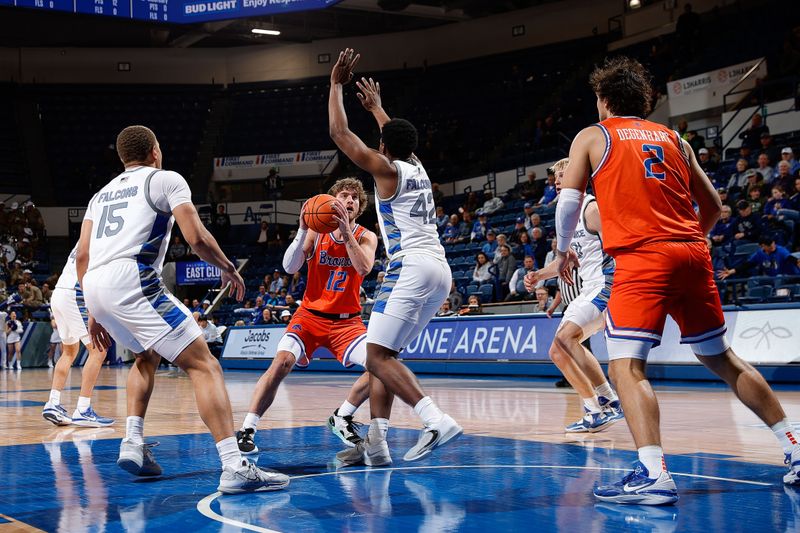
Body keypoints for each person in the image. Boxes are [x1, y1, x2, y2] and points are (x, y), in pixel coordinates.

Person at [555, 56, 800, 505]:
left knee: (626, 366)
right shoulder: (674, 138)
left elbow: (570, 201)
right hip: (691, 251)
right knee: (723, 358)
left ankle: (652, 474)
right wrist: (685, 242)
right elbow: (713, 207)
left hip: (641, 257)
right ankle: (794, 449)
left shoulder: (594, 135)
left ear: (605, 100)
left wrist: (561, 247)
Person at [77, 125, 288, 494]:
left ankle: (133, 441)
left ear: (122, 158)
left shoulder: (100, 195)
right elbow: (197, 237)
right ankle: (234, 466)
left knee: (146, 357)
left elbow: (82, 255)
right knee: (204, 365)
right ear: (156, 151)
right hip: (132, 277)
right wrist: (227, 267)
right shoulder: (164, 179)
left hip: (94, 283)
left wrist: (94, 309)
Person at [329, 54, 462, 466]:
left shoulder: (387, 170)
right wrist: (376, 109)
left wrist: (335, 85)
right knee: (385, 357)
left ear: (384, 147)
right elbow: (396, 136)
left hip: (411, 266)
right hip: (440, 270)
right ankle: (378, 441)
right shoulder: (417, 165)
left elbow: (339, 133)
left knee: (375, 356)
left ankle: (433, 419)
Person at [235, 178, 379, 455]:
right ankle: (248, 429)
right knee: (281, 363)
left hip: (347, 322)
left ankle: (342, 416)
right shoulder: (315, 231)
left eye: (354, 198)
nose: (349, 200)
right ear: (331, 201)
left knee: (382, 368)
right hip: (310, 316)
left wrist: (346, 232)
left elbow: (363, 268)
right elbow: (289, 267)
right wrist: (302, 229)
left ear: (359, 208)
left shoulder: (365, 235)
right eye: (344, 195)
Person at [524, 157, 622, 433]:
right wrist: (538, 275)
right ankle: (602, 404)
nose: (557, 180)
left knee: (566, 338)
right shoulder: (566, 215)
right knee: (557, 350)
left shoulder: (591, 208)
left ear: (580, 178)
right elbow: (565, 260)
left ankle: (601, 404)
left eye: (564, 175)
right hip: (588, 287)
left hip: (607, 284)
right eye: (555, 177)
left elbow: (621, 241)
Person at [42, 243, 115, 427]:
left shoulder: (84, 236)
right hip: (75, 294)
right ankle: (83, 409)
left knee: (69, 352)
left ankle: (53, 402)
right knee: (99, 350)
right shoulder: (104, 238)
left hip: (58, 293)